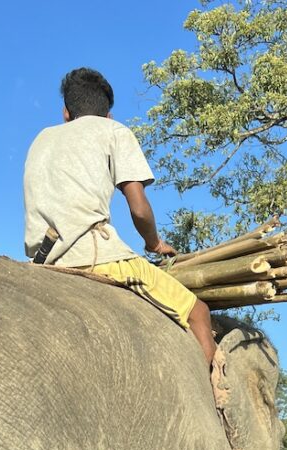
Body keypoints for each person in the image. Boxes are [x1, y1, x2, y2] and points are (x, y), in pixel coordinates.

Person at [23, 67, 215, 366]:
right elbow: (138, 207)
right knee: (198, 313)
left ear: (66, 113)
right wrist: (155, 243)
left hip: (41, 260)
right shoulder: (114, 131)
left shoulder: (41, 139)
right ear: (108, 115)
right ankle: (215, 391)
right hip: (96, 257)